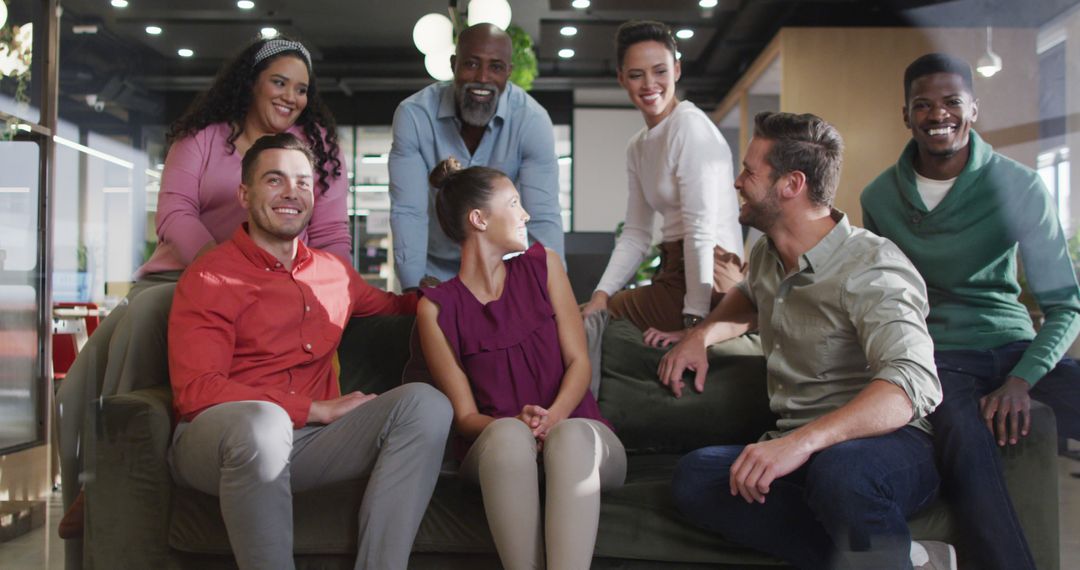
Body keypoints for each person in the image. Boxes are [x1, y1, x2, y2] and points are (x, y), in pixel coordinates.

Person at [56, 35, 350, 541]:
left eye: (302, 88)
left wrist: (331, 291)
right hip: (183, 273)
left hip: (274, 281)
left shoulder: (317, 148)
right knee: (139, 321)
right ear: (250, 83)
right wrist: (226, 273)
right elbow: (174, 214)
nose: (291, 97)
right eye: (279, 82)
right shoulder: (203, 137)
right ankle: (103, 473)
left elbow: (331, 236)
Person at [661, 112, 951, 569]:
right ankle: (907, 559)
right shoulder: (767, 255)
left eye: (749, 171)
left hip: (886, 447)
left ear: (791, 184)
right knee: (698, 477)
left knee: (841, 472)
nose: (738, 182)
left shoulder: (872, 265)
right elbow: (747, 298)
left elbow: (910, 385)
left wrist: (801, 444)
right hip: (803, 448)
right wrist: (702, 335)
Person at [168, 133, 451, 570]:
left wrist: (456, 295)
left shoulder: (334, 272)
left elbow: (399, 308)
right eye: (275, 180)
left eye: (303, 183)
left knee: (427, 405)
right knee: (263, 425)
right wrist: (314, 409)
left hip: (310, 446)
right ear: (245, 193)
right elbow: (197, 391)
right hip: (223, 442)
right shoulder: (210, 276)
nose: (291, 193)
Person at [861, 53, 1080, 570]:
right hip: (939, 354)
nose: (939, 114)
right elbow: (882, 293)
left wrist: (1022, 380)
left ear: (974, 110)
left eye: (952, 102)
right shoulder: (879, 197)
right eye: (924, 104)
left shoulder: (1020, 185)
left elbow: (1064, 304)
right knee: (965, 438)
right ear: (907, 115)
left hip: (1010, 343)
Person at [415, 158, 626, 570]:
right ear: (478, 219)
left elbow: (579, 362)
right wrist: (518, 424)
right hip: (500, 448)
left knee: (567, 439)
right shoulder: (435, 310)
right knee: (510, 434)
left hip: (580, 435)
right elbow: (465, 417)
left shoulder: (543, 264)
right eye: (513, 202)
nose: (525, 213)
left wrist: (552, 419)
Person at [581, 20, 744, 334]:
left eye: (660, 71)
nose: (649, 84)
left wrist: (694, 322)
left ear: (677, 70)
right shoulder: (638, 146)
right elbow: (635, 234)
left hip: (712, 273)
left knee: (579, 324)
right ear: (621, 78)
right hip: (672, 270)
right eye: (636, 75)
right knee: (585, 314)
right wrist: (601, 295)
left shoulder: (690, 127)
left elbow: (701, 230)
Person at [389, 23, 564, 290]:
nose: (482, 78)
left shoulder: (531, 120)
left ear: (509, 72)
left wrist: (552, 291)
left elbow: (542, 217)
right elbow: (409, 212)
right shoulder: (415, 115)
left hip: (503, 270)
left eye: (495, 67)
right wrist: (413, 289)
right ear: (453, 65)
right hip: (433, 268)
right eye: (471, 64)